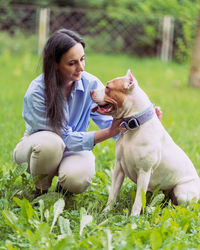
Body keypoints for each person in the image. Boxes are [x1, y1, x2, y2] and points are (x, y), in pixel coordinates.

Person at [13, 28, 162, 198]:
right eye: (72, 63)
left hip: (74, 148)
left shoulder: (90, 83)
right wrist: (107, 133)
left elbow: (113, 123)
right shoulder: (38, 92)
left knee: (78, 178)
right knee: (51, 144)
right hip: (37, 150)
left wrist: (144, 121)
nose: (81, 67)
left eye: (82, 59)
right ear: (54, 63)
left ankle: (64, 189)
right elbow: (64, 138)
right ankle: (40, 191)